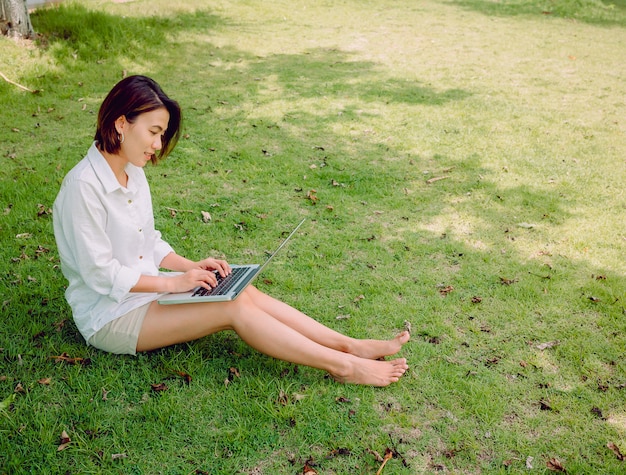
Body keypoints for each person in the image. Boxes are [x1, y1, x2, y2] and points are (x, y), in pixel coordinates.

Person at [53, 75, 409, 387]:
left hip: (144, 294)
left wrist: (193, 267)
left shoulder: (133, 172)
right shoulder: (83, 187)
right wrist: (171, 283)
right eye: (154, 133)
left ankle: (348, 345)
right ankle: (344, 366)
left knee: (239, 290)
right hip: (110, 316)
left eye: (161, 135)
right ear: (121, 123)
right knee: (232, 308)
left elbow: (149, 242)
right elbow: (100, 274)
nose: (158, 146)